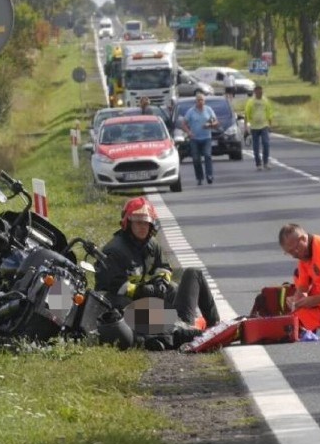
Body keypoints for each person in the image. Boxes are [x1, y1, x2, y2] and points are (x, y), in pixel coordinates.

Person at [94, 197, 220, 331]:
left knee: (174, 287)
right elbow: (111, 286)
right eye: (138, 222)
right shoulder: (114, 250)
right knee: (125, 306)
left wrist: (160, 282)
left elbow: (163, 268)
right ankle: (183, 326)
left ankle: (211, 324)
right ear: (128, 223)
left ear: (151, 225)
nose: (142, 227)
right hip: (123, 310)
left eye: (146, 223)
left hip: (144, 306)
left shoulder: (151, 245)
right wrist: (142, 291)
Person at [181, 94, 220, 185]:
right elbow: (183, 124)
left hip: (206, 137)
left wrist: (210, 125)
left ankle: (209, 175)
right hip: (194, 138)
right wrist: (189, 132)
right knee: (196, 159)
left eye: (202, 100)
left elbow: (216, 122)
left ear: (204, 101)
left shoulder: (208, 110)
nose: (200, 102)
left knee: (207, 155)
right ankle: (199, 177)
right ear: (196, 101)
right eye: (198, 100)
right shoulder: (191, 111)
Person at [244, 84, 275, 170]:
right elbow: (246, 114)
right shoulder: (251, 102)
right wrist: (246, 127)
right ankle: (258, 163)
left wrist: (270, 125)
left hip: (264, 125)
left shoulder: (265, 101)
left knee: (266, 143)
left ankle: (265, 162)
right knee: (256, 146)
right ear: (255, 92)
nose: (260, 93)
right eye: (258, 92)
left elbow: (269, 113)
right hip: (254, 126)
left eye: (261, 91)